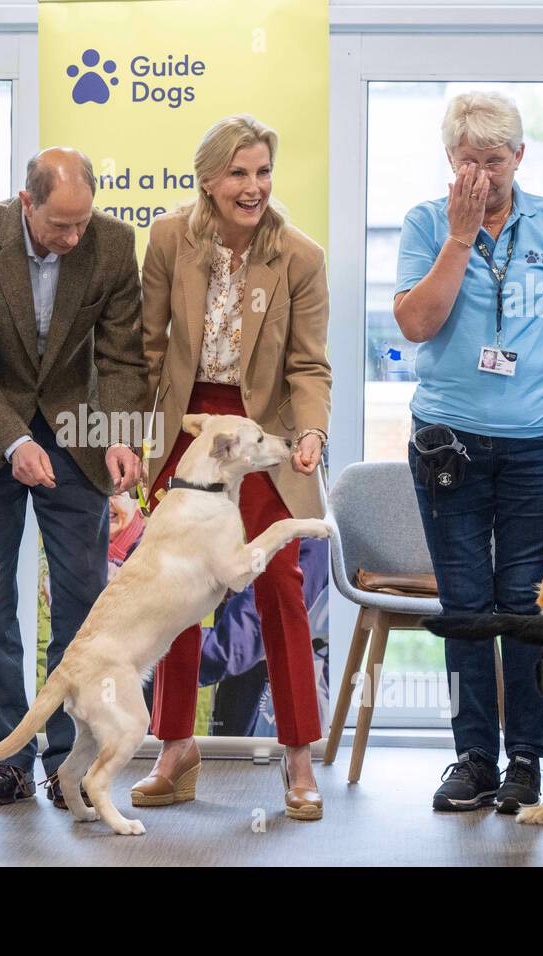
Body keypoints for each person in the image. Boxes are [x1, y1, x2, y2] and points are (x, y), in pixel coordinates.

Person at [393, 91, 543, 813]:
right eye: (468, 160)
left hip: (540, 444)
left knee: (523, 602)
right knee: (465, 602)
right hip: (449, 440)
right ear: (449, 162)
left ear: (519, 157)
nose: (482, 174)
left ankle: (526, 756)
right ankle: (472, 756)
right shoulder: (428, 222)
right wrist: (458, 239)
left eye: (494, 159)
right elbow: (418, 324)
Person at [0, 147, 146, 808]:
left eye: (82, 224)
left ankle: (66, 760)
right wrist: (14, 439)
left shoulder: (111, 246)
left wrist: (120, 436)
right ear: (28, 203)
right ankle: (5, 758)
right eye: (58, 226)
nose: (72, 239)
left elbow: (122, 355)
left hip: (76, 438)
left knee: (82, 604)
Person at [130, 115, 332, 821]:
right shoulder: (166, 240)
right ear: (209, 180)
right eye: (239, 174)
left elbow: (308, 363)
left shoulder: (299, 256)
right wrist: (135, 436)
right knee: (178, 591)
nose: (254, 188)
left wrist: (309, 431)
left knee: (278, 582)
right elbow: (146, 351)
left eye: (263, 172)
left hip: (266, 436)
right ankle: (174, 745)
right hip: (189, 429)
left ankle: (299, 755)